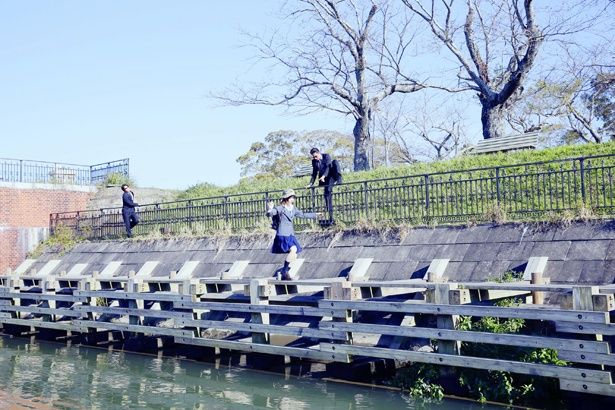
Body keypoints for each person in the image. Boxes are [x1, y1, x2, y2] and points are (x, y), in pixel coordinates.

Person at [266, 188, 320, 280]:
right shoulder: (280, 208)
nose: (293, 199)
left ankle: (285, 270)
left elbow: (303, 215)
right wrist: (270, 209)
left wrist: (315, 214)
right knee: (294, 249)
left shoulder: (293, 209)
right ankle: (285, 270)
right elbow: (270, 214)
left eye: (294, 197)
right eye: (291, 197)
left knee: (294, 254)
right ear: (286, 198)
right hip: (282, 234)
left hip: (290, 234)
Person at [307, 147, 342, 225]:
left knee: (335, 162)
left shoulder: (326, 156)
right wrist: (311, 183)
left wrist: (323, 176)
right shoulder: (314, 161)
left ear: (319, 153)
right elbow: (314, 173)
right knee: (327, 195)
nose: (315, 158)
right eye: (313, 157)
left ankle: (339, 179)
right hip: (325, 180)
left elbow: (328, 167)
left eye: (316, 156)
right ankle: (331, 218)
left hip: (331, 175)